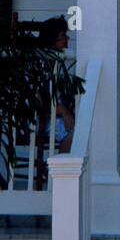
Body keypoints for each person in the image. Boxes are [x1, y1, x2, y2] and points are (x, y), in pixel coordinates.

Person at [35, 16, 75, 156]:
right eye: (63, 36)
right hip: (43, 120)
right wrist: (62, 110)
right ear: (52, 41)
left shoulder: (64, 64)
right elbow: (36, 104)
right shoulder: (39, 68)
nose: (67, 39)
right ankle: (59, 177)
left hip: (61, 117)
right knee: (76, 135)